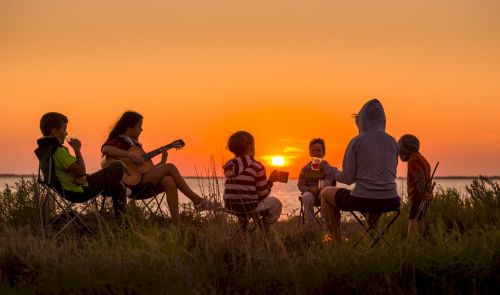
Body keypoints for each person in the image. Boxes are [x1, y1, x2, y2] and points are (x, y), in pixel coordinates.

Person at [101, 111, 219, 224]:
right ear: (128, 127)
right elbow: (106, 149)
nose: (141, 130)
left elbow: (144, 172)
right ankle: (198, 201)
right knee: (171, 167)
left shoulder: (135, 145)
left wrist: (162, 162)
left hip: (140, 184)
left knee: (169, 180)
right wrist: (129, 155)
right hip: (128, 186)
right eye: (138, 127)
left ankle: (177, 224)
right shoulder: (120, 141)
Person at [319, 99, 401, 243]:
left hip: (363, 200)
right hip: (391, 200)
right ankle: (372, 240)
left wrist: (328, 170)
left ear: (362, 121)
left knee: (325, 193)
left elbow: (347, 178)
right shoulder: (393, 141)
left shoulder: (357, 141)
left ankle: (336, 242)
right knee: (375, 200)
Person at [35, 112, 127, 221]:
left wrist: (79, 177)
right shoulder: (58, 151)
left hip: (70, 189)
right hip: (78, 192)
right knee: (117, 166)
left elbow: (68, 174)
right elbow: (81, 171)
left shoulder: (45, 150)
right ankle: (124, 226)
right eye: (64, 129)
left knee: (118, 187)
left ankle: (116, 190)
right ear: (54, 131)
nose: (66, 133)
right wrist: (77, 149)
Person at [223, 131, 283, 233]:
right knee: (277, 204)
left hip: (230, 205)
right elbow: (263, 194)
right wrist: (270, 181)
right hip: (248, 207)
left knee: (246, 201)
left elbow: (240, 186)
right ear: (251, 148)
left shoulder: (229, 166)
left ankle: (243, 230)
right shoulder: (257, 166)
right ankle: (264, 227)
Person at [398, 134, 433, 240]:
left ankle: (410, 243)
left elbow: (419, 178)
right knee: (420, 220)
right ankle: (424, 241)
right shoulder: (422, 158)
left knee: (412, 219)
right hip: (425, 196)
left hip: (418, 196)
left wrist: (423, 193)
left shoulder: (413, 160)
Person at [297, 138, 335, 224]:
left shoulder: (327, 167)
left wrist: (317, 189)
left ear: (323, 153)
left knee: (325, 196)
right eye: (313, 150)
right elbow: (300, 185)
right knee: (306, 197)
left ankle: (326, 224)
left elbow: (329, 182)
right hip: (309, 192)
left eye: (319, 150)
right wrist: (310, 189)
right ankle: (310, 223)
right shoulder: (305, 169)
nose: (316, 153)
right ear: (310, 152)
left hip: (323, 191)